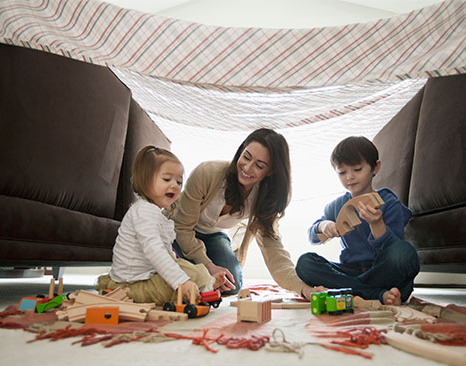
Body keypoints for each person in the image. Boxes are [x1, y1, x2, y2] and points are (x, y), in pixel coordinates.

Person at [168, 128, 325, 299]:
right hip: (177, 231)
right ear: (241, 151)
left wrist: (303, 289)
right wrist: (209, 266)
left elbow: (274, 251)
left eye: (259, 166)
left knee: (231, 283)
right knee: (189, 276)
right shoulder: (207, 173)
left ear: (270, 171)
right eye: (246, 157)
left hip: (213, 235)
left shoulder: (265, 199)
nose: (247, 168)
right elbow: (181, 227)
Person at [295, 136, 419, 305]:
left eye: (357, 169)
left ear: (375, 167)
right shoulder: (337, 205)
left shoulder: (388, 202)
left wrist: (377, 225)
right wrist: (323, 226)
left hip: (382, 271)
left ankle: (358, 291)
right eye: (342, 172)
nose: (349, 177)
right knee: (305, 263)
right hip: (351, 272)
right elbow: (312, 236)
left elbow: (395, 251)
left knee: (404, 252)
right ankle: (375, 295)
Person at [96, 146, 225, 305]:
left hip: (147, 275)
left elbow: (168, 253)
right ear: (145, 180)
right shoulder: (143, 211)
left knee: (193, 270)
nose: (175, 186)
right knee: (184, 277)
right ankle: (201, 288)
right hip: (132, 284)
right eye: (166, 179)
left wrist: (193, 273)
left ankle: (206, 286)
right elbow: (154, 250)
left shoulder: (156, 213)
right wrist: (182, 281)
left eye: (179, 182)